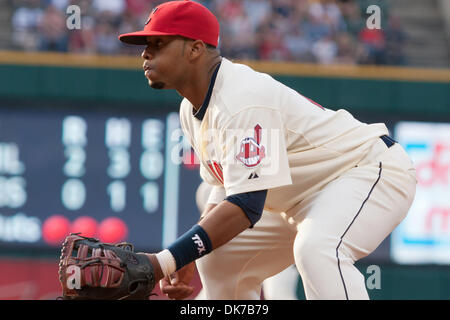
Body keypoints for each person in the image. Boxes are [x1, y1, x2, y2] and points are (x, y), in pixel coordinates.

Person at [118, 0, 416, 300]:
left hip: (366, 170)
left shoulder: (241, 99)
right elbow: (224, 190)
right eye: (146, 44)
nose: (145, 52)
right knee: (219, 258)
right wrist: (186, 256)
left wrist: (164, 260)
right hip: (297, 200)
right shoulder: (190, 108)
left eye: (158, 43)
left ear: (195, 49)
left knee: (318, 249)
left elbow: (246, 205)